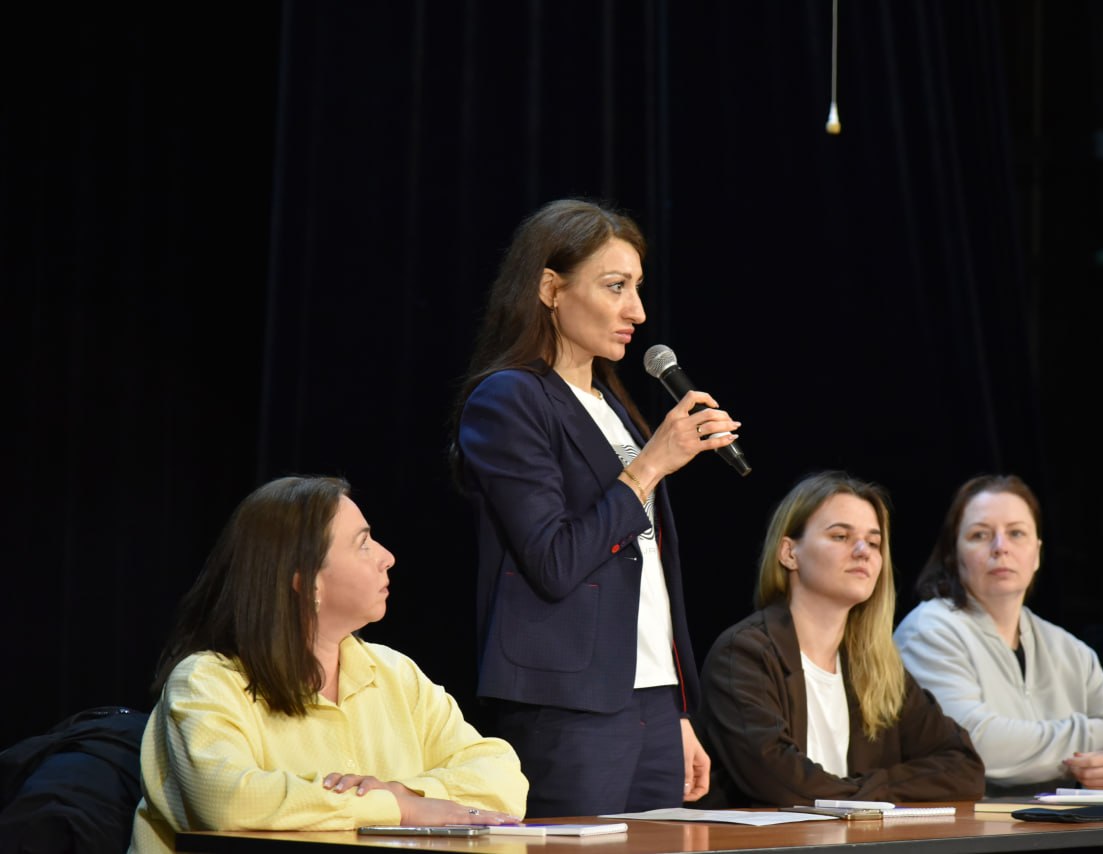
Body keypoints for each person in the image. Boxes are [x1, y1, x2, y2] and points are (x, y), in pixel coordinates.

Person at [451, 198, 739, 817]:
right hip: (569, 702)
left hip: (651, 698)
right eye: (615, 287)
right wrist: (650, 466)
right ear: (551, 289)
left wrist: (677, 709)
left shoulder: (612, 407)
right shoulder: (510, 399)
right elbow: (554, 560)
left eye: (637, 288)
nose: (637, 311)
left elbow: (649, 571)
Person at [129, 477, 527, 853]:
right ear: (306, 582)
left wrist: (408, 794)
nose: (387, 558)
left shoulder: (395, 674)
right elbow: (227, 801)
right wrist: (397, 809)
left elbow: (504, 777)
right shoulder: (206, 682)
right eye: (363, 544)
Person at [697, 471, 985, 806]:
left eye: (874, 542)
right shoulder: (743, 654)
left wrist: (863, 793)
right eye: (840, 536)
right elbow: (782, 782)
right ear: (789, 553)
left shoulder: (877, 665)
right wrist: (870, 795)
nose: (863, 551)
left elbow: (964, 769)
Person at [893, 474, 1103, 794]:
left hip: (1060, 821)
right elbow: (971, 743)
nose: (1000, 547)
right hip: (968, 821)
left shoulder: (1067, 648)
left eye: (1016, 533)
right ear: (953, 556)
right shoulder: (929, 630)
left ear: (1037, 553)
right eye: (980, 535)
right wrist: (1100, 733)